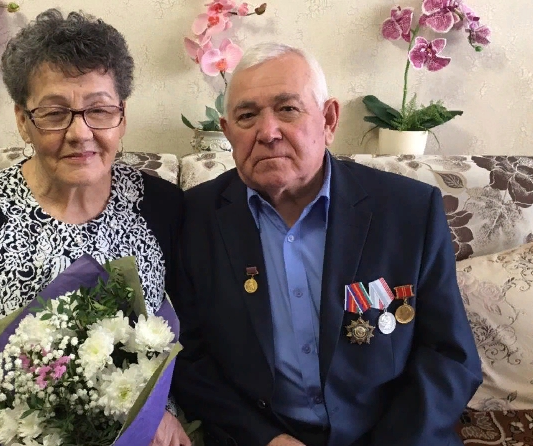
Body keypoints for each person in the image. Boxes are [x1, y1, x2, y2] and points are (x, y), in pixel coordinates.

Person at [0, 9, 190, 446]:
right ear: (22, 120)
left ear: (122, 117)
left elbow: (194, 344)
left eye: (99, 110)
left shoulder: (164, 207)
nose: (80, 133)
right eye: (54, 113)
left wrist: (159, 414)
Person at [172, 42, 482, 446]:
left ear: (329, 120)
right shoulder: (196, 217)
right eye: (247, 116)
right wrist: (265, 438)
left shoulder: (408, 210)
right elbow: (189, 357)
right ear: (228, 133)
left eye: (288, 109)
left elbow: (449, 356)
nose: (268, 132)